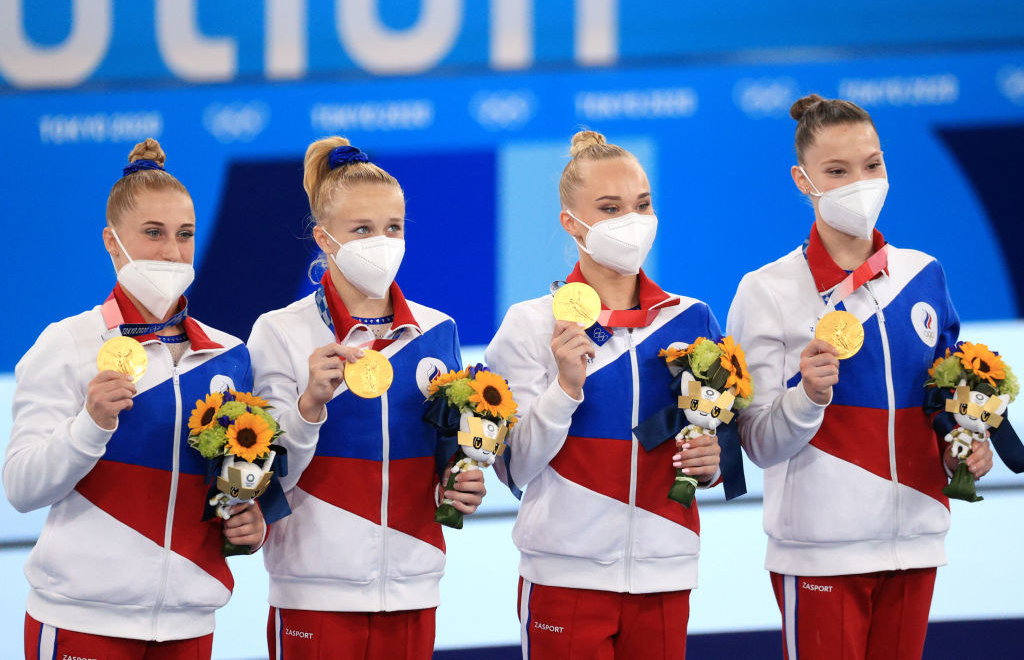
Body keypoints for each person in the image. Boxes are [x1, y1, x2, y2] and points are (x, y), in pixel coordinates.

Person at [727, 94, 994, 660]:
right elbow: (757, 444)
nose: (861, 183)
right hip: (820, 551)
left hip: (916, 542)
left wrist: (965, 446)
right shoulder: (767, 291)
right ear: (804, 180)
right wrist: (809, 396)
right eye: (838, 171)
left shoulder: (923, 274)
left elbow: (945, 404)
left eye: (872, 165)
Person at [4, 139, 266, 659]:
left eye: (185, 235)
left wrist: (250, 525)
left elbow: (235, 488)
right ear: (111, 240)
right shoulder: (68, 344)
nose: (171, 252)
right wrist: (90, 424)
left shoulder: (229, 356)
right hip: (83, 620)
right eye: (153, 234)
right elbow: (21, 488)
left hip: (190, 624)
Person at [486, 130, 726, 659]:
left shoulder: (693, 318)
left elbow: (716, 448)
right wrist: (566, 387)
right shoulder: (530, 325)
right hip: (564, 577)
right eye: (610, 208)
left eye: (641, 205)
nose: (632, 222)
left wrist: (712, 465)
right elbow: (512, 469)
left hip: (665, 570)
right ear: (571, 223)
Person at [248, 137, 486, 660]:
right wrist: (310, 403)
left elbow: (448, 453)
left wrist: (459, 484)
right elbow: (260, 478)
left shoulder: (436, 329)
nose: (382, 241)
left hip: (413, 585)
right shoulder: (279, 332)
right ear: (324, 238)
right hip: (314, 591)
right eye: (362, 230)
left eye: (392, 228)